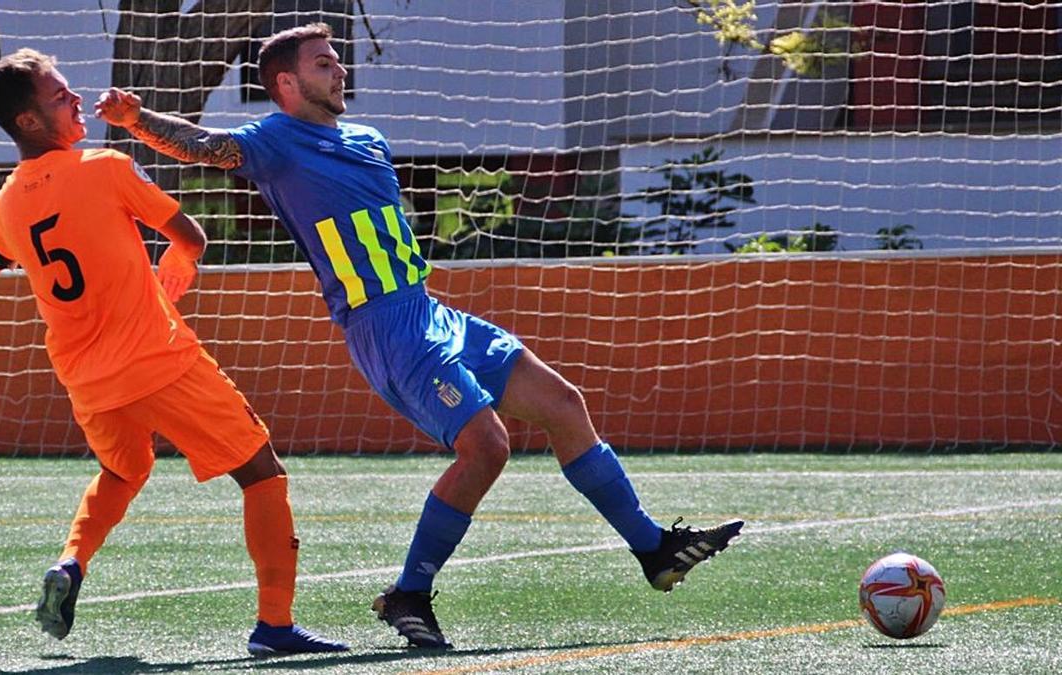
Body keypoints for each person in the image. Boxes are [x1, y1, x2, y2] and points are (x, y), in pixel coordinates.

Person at [96, 23, 745, 650]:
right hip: (385, 325)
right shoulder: (275, 139)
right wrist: (136, 119)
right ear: (287, 83)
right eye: (324, 62)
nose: (340, 67)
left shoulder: (369, 139)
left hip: (431, 311)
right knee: (486, 444)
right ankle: (411, 593)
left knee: (563, 405)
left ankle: (653, 548)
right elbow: (207, 144)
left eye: (337, 58)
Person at [0, 48, 347, 657]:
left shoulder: (8, 202)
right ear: (28, 121)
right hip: (159, 361)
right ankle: (274, 626)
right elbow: (192, 236)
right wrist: (178, 261)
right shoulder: (106, 166)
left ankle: (72, 563)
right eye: (60, 96)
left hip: (85, 380)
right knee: (261, 472)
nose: (76, 99)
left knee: (123, 470)